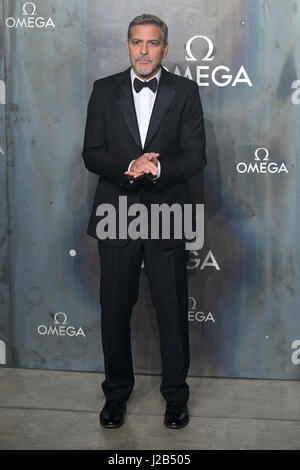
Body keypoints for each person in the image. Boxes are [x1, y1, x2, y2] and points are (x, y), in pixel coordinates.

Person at [82, 13, 206, 429]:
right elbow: (92, 153)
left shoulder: (185, 92)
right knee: (115, 310)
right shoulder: (104, 91)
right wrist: (129, 165)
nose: (144, 51)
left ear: (165, 49)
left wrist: (156, 169)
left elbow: (195, 156)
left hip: (167, 210)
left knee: (171, 310)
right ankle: (116, 395)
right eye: (137, 42)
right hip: (117, 210)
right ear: (127, 45)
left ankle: (175, 397)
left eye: (152, 43)